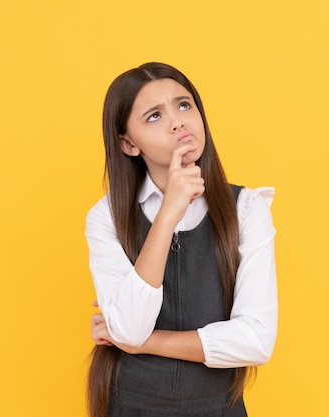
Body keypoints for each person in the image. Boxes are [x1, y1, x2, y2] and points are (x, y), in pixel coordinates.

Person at [85, 62, 277, 417]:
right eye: (154, 116)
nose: (178, 121)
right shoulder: (106, 217)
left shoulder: (247, 209)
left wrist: (143, 343)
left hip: (218, 408)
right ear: (128, 143)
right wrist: (169, 211)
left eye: (184, 105)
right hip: (131, 406)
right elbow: (129, 326)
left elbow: (255, 341)